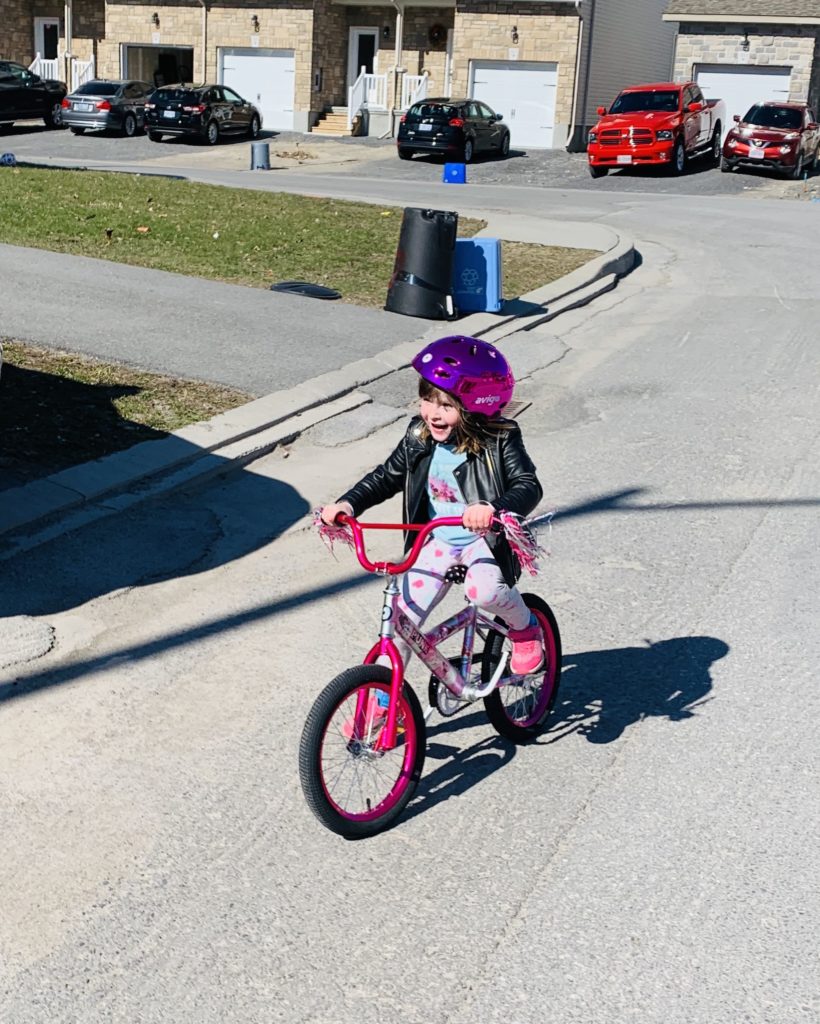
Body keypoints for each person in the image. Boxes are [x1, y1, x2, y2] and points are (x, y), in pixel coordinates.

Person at [320, 334, 545, 676]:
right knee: (400, 622)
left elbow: (528, 485)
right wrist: (349, 504)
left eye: (446, 406)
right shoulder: (418, 435)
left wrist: (493, 509)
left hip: (483, 542)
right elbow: (387, 476)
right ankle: (384, 699)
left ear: (474, 407)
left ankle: (525, 628)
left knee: (484, 592)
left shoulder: (501, 438)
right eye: (427, 400)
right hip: (437, 540)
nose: (433, 414)